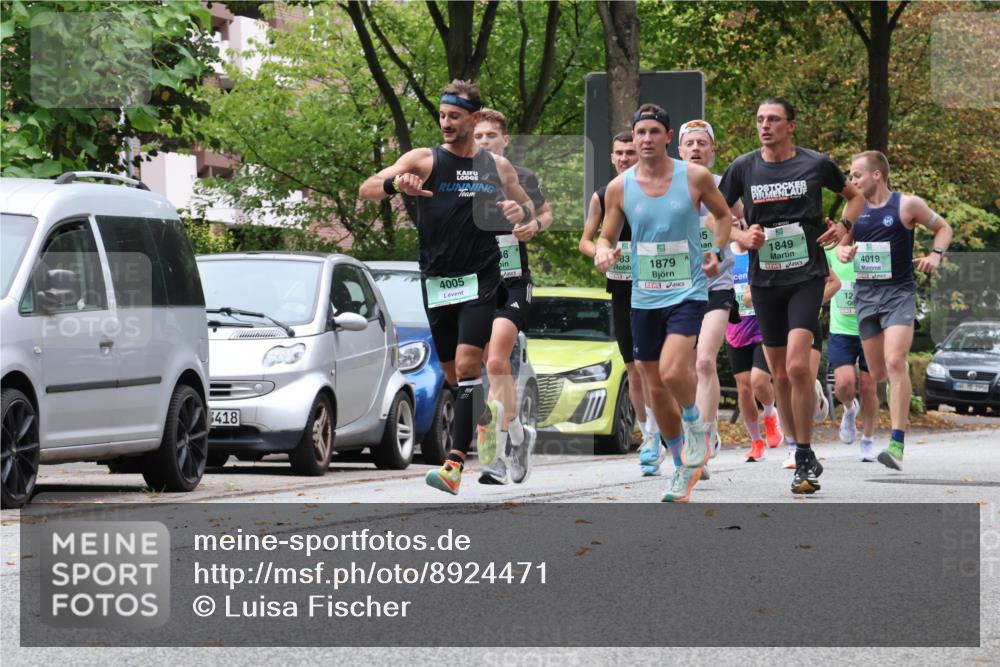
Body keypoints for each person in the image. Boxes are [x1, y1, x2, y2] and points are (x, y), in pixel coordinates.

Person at [358, 80, 536, 495]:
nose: (446, 123)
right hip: (438, 282)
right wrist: (393, 185)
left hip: (481, 277)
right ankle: (496, 426)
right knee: (454, 377)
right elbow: (366, 189)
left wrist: (519, 212)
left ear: (474, 119)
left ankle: (454, 466)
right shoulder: (424, 160)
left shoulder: (498, 167)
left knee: (471, 363)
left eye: (454, 116)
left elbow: (529, 210)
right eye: (442, 116)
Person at [719, 96, 865, 495]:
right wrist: (739, 234)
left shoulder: (815, 163)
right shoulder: (743, 167)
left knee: (799, 367)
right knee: (779, 374)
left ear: (791, 126)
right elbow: (714, 210)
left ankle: (804, 451)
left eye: (774, 119)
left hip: (807, 274)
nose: (765, 126)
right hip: (765, 281)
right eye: (760, 119)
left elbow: (855, 196)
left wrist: (845, 226)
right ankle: (799, 448)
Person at [594, 103, 733, 503]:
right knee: (654, 388)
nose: (647, 139)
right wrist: (604, 252)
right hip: (644, 296)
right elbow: (606, 236)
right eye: (641, 133)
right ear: (633, 139)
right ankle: (682, 467)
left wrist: (717, 250)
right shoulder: (620, 187)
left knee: (674, 372)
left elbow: (723, 217)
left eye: (655, 132)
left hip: (687, 291)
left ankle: (695, 425)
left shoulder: (695, 177)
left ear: (667, 137)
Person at [837, 150, 952, 470]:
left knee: (895, 361)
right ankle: (861, 409)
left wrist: (936, 255)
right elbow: (842, 243)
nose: (852, 180)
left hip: (899, 294)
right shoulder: (855, 210)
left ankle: (897, 443)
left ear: (877, 175)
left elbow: (944, 228)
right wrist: (844, 252)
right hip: (866, 297)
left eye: (856, 174)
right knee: (877, 373)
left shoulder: (907, 205)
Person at [472, 108, 552, 485]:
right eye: (478, 136)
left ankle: (493, 457)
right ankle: (519, 435)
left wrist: (533, 224)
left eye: (491, 136)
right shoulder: (459, 179)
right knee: (487, 365)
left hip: (513, 279)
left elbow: (546, 212)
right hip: (474, 280)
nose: (484, 142)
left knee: (495, 362)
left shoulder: (521, 177)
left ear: (504, 141)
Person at [579, 132, 656, 465]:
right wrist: (600, 252)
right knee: (634, 367)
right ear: (612, 158)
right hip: (623, 288)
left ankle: (677, 426)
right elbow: (586, 240)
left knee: (664, 367)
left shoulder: (656, 191)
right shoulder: (602, 196)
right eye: (619, 153)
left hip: (660, 286)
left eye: (630, 152)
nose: (625, 158)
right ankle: (650, 434)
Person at [676, 119, 744, 479]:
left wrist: (741, 234)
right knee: (682, 368)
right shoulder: (667, 185)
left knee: (704, 362)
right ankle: (698, 430)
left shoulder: (724, 186)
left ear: (713, 150)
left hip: (718, 284)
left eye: (703, 143)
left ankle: (702, 440)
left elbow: (741, 224)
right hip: (678, 286)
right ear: (680, 149)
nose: (697, 148)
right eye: (691, 143)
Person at [727, 239, 784, 463]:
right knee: (743, 388)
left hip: (763, 328)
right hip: (736, 331)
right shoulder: (724, 253)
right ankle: (756, 442)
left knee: (759, 381)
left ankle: (770, 414)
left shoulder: (759, 251)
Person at [825, 242, 880, 461]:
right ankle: (849, 408)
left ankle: (867, 440)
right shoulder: (830, 251)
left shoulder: (873, 250)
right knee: (844, 384)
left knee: (868, 387)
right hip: (841, 330)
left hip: (870, 328)